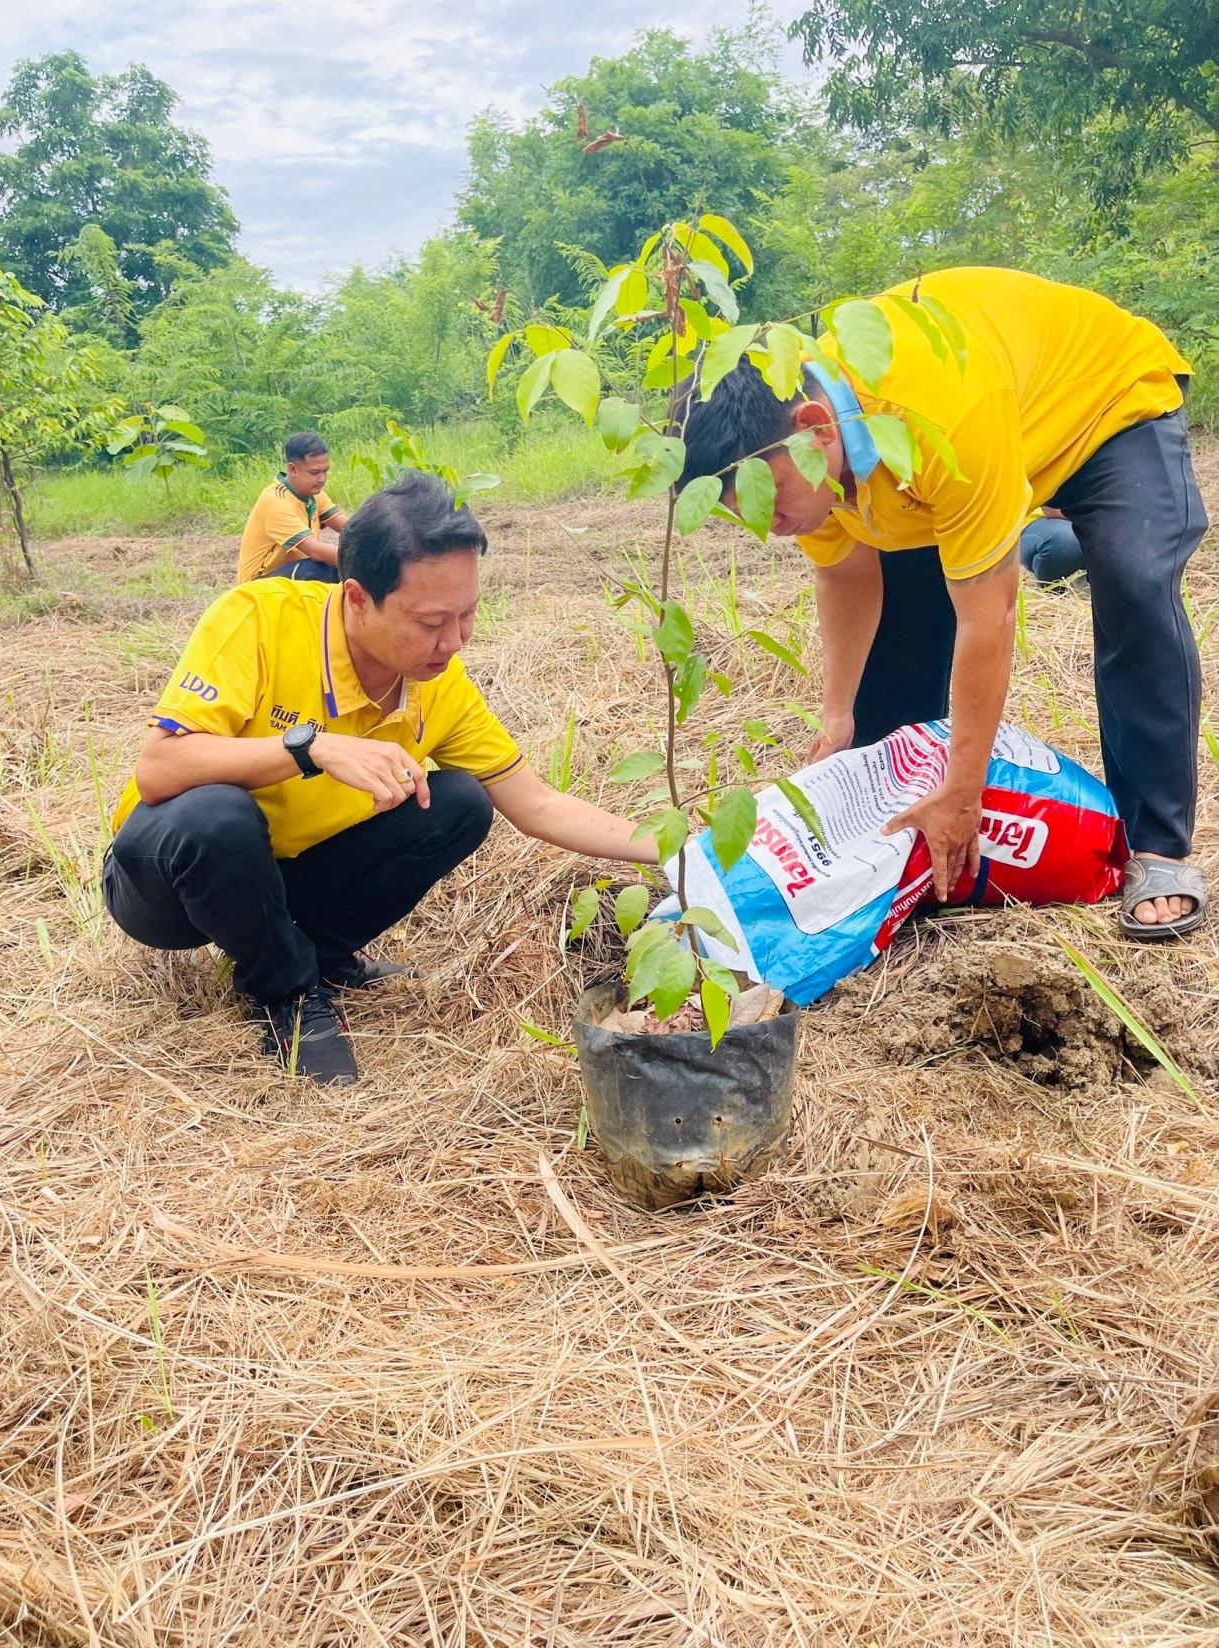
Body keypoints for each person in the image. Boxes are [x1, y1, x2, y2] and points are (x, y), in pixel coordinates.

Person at [675, 267, 1208, 941]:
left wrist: (966, 790)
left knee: (1133, 575)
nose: (763, 524)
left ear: (814, 429)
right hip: (967, 470)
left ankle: (1158, 847)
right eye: (739, 510)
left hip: (1104, 408)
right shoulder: (812, 460)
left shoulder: (937, 415)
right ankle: (906, 831)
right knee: (900, 618)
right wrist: (838, 715)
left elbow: (986, 617)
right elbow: (847, 578)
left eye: (768, 501)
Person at [105, 472, 656, 1084]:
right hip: (169, 882)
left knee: (459, 805)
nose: (453, 641)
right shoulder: (260, 619)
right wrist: (311, 747)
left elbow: (540, 805)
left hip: (288, 877)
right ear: (358, 597)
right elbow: (160, 769)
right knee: (217, 816)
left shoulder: (437, 684)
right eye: (428, 623)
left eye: (467, 615)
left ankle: (317, 954)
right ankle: (287, 991)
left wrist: (689, 851)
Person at [237, 431, 346, 584]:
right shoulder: (276, 501)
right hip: (257, 586)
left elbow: (349, 528)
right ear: (292, 469)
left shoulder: (314, 494)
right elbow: (315, 551)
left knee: (343, 572)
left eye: (325, 471)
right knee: (320, 569)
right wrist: (363, 560)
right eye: (315, 472)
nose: (322, 479)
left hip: (292, 571)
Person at [1020, 507, 1085, 589]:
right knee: (1065, 541)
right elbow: (1052, 509)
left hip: (1088, 518)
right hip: (1037, 521)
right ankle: (1052, 589)